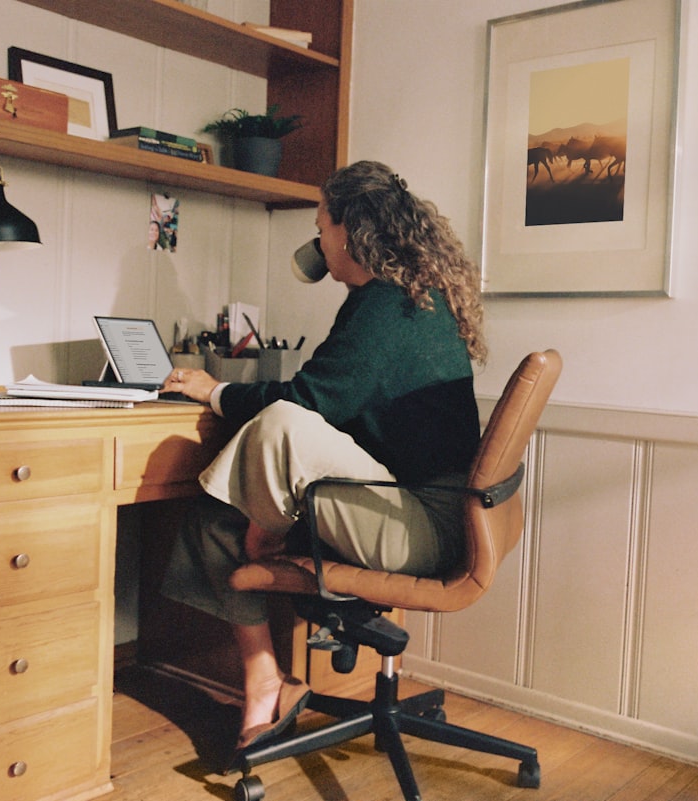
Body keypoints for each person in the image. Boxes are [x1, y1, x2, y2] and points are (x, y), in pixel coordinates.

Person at [158, 160, 487, 753]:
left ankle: (265, 673)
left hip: (421, 528)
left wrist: (214, 390)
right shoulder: (411, 297)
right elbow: (343, 403)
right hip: (435, 513)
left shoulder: (386, 305)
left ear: (348, 231)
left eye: (320, 226)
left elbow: (307, 403)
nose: (318, 241)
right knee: (215, 513)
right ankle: (266, 679)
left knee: (270, 440)